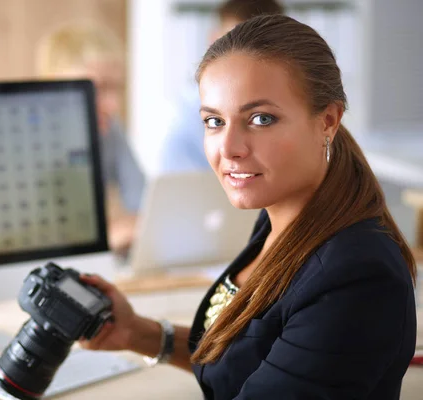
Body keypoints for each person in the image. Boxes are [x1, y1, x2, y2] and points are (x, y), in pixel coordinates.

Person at [80, 14, 417, 399]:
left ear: (328, 120)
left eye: (260, 119)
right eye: (214, 121)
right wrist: (138, 333)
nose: (229, 148)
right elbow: (253, 355)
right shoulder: (282, 217)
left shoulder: (355, 276)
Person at [36, 23, 145, 256]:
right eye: (99, 88)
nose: (113, 105)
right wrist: (105, 237)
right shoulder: (31, 142)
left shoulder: (108, 129)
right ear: (53, 85)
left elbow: (143, 204)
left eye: (117, 88)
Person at [158, 0, 284, 172]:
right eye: (232, 43)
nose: (244, 58)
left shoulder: (296, 103)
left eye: (258, 46)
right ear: (213, 41)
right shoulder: (185, 122)